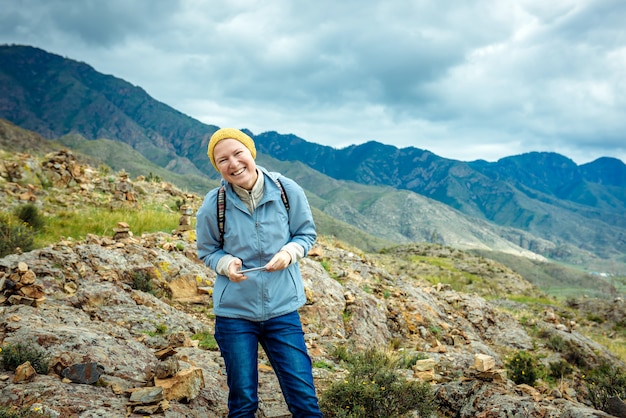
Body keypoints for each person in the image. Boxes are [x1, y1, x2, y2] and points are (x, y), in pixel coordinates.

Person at [196, 127, 323, 417]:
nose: (234, 163)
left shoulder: (286, 191)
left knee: (305, 400)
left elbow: (305, 234)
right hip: (234, 315)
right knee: (243, 403)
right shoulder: (213, 204)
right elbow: (207, 251)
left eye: (238, 153)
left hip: (282, 310)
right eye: (223, 159)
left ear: (251, 153)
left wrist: (289, 253)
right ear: (217, 167)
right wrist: (225, 264)